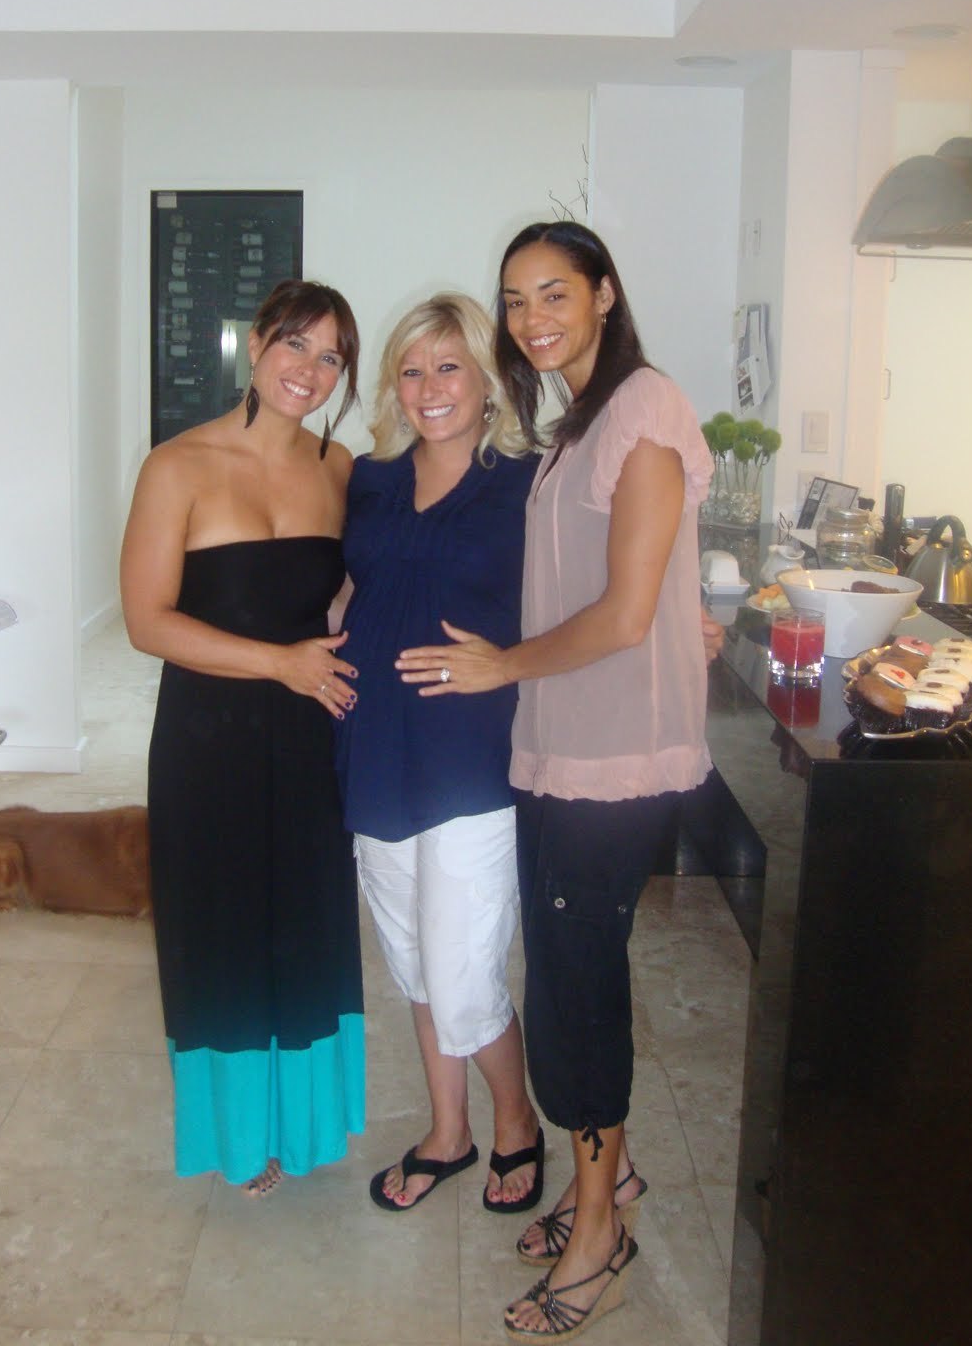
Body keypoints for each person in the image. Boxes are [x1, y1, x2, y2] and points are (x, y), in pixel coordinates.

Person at [396, 222, 714, 1341]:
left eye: (554, 293)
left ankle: (598, 1239)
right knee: (564, 978)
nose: (532, 318)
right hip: (560, 745)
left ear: (604, 294)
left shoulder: (645, 409)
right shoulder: (577, 420)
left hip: (613, 756)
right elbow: (626, 581)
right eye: (516, 298)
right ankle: (606, 1180)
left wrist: (504, 665)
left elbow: (624, 613)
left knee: (578, 993)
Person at [120, 279, 366, 1197]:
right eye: (296, 344)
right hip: (207, 736)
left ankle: (304, 1121)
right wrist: (278, 663)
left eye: (331, 356)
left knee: (302, 926)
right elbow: (147, 621)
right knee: (219, 928)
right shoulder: (177, 466)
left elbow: (350, 590)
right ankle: (239, 1132)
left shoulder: (340, 468)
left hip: (309, 734)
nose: (310, 369)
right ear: (256, 344)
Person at [335, 294, 546, 1214]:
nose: (429, 388)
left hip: (472, 759)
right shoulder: (370, 478)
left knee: (463, 979)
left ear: (487, 380)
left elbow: (593, 591)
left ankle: (517, 1122)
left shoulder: (529, 483)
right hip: (373, 746)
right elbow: (351, 584)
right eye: (412, 370)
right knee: (416, 961)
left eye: (449, 366)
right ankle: (449, 1132)